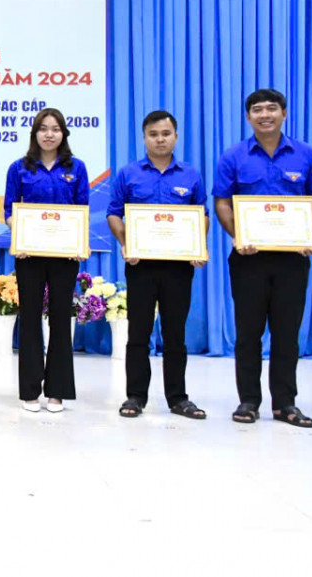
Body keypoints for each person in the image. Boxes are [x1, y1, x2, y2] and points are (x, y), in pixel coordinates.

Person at [214, 89, 312, 428]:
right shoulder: (233, 156)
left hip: (292, 259)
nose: (265, 115)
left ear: (284, 113)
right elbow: (222, 202)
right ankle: (249, 400)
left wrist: (309, 236)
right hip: (249, 259)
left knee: (286, 333)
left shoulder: (306, 155)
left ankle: (285, 403)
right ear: (248, 116)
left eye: (271, 108)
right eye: (257, 110)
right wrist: (238, 236)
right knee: (248, 332)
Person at [106, 110, 208, 420]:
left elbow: (201, 215)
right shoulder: (128, 173)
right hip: (141, 265)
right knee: (138, 333)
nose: (160, 139)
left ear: (175, 136)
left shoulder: (191, 174)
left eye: (165, 134)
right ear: (144, 138)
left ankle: (178, 398)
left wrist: (197, 246)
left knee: (175, 333)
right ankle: (135, 396)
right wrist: (126, 243)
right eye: (153, 134)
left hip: (178, 267)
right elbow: (114, 213)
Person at [4, 108, 88, 413]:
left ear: (63, 133)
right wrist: (19, 236)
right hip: (29, 256)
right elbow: (10, 211)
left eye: (55, 129)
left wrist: (78, 243)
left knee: (61, 320)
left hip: (64, 257)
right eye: (43, 128)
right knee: (29, 320)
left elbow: (82, 210)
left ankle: (57, 391)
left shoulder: (77, 168)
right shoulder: (19, 168)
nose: (49, 134)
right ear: (35, 134)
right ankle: (29, 391)